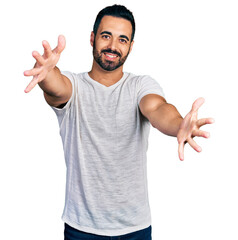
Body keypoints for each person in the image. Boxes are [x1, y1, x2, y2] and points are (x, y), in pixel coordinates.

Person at [23, 4, 214, 240]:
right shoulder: (75, 86)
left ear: (131, 46)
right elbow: (56, 86)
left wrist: (178, 125)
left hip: (135, 228)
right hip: (81, 228)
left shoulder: (140, 86)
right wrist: (44, 71)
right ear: (92, 38)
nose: (113, 46)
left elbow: (157, 108)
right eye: (106, 36)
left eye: (122, 40)